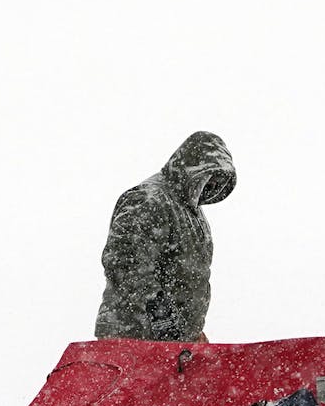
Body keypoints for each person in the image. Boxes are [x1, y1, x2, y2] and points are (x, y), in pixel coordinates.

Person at [94, 131, 237, 342]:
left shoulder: (192, 214)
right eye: (209, 178)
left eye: (218, 183)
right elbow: (126, 262)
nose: (212, 187)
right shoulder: (149, 199)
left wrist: (192, 331)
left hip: (173, 343)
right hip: (133, 334)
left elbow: (190, 276)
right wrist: (159, 314)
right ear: (192, 168)